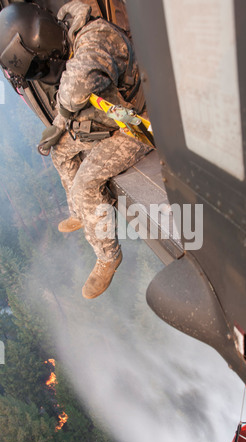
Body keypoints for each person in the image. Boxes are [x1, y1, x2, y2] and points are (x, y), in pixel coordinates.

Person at [0, 0, 152, 299]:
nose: (42, 72)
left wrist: (60, 121)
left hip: (137, 125)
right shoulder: (68, 39)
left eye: (39, 66)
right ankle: (81, 212)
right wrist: (60, 128)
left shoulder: (95, 37)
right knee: (60, 152)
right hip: (112, 119)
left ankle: (108, 256)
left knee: (86, 183)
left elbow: (77, 83)